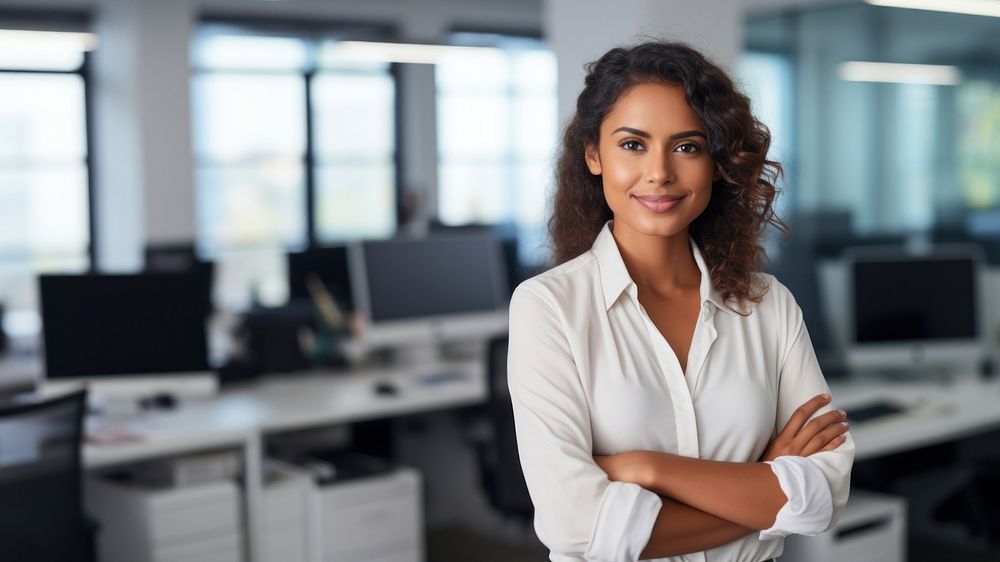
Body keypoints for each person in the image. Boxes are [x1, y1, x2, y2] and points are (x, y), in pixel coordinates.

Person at [507, 41, 855, 562]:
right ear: (593, 154)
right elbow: (575, 525)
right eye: (632, 145)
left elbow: (822, 494)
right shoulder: (548, 308)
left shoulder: (769, 306)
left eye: (688, 146)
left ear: (717, 163)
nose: (660, 173)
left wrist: (650, 468)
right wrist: (762, 489)